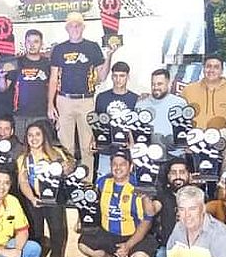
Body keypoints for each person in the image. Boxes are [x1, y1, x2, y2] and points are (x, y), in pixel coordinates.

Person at [47, 11, 114, 179]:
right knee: (65, 147)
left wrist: (109, 57)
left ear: (83, 27)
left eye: (78, 25)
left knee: (87, 146)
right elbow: (53, 78)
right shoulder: (59, 49)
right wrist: (50, 104)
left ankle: (87, 184)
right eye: (71, 25)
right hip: (63, 100)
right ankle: (66, 182)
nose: (75, 28)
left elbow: (102, 77)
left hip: (86, 100)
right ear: (67, 28)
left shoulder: (92, 47)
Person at [77, 149, 157, 257]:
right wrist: (80, 220)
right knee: (83, 245)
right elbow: (90, 205)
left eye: (122, 164)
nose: (118, 167)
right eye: (114, 164)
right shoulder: (102, 182)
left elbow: (147, 220)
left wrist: (129, 245)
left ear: (130, 167)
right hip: (109, 233)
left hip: (135, 234)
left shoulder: (140, 186)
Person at [17, 121, 73, 257]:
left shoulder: (56, 153)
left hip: (54, 199)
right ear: (26, 138)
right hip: (34, 200)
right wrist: (32, 198)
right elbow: (23, 182)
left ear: (44, 136)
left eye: (37, 134)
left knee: (57, 230)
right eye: (30, 135)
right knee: (35, 234)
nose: (34, 138)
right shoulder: (23, 158)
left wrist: (67, 168)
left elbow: (69, 169)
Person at [148, 158, 193, 257]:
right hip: (168, 246)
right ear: (168, 176)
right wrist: (145, 195)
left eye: (182, 172)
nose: (178, 176)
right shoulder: (163, 195)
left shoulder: (197, 195)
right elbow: (151, 211)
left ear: (189, 175)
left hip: (193, 247)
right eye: (173, 173)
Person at [94, 60, 138, 178]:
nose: (118, 79)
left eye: (122, 76)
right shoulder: (102, 97)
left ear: (127, 77)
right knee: (103, 180)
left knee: (126, 181)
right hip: (106, 148)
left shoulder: (135, 99)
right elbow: (97, 122)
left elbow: (135, 126)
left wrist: (133, 146)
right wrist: (93, 140)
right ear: (111, 77)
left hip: (126, 150)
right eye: (115, 76)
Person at [136, 68, 188, 153]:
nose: (156, 87)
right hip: (149, 153)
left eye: (159, 84)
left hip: (175, 154)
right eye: (153, 84)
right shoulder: (141, 104)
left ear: (168, 83)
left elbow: (186, 129)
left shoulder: (180, 103)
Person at [181, 55, 226, 129]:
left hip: (223, 135)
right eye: (208, 66)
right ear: (203, 69)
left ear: (222, 71)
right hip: (192, 134)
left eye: (216, 67)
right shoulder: (188, 90)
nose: (211, 70)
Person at [13, 28, 51, 137]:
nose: (32, 45)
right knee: (20, 144)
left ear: (41, 44)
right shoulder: (16, 62)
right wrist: (1, 77)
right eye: (29, 41)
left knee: (43, 145)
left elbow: (53, 88)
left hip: (42, 114)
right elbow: (3, 88)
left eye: (36, 41)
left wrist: (51, 108)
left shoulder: (48, 64)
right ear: (25, 43)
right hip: (20, 115)